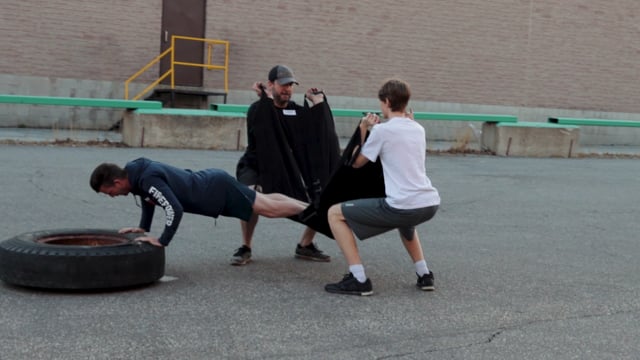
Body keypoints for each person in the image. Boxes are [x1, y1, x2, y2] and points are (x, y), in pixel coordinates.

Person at [324, 78, 441, 296]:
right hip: (429, 204)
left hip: (402, 206)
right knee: (407, 222)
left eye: (381, 103)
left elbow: (357, 163)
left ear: (386, 101)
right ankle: (424, 274)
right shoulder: (418, 129)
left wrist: (363, 128)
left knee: (334, 213)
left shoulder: (382, 131)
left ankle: (358, 278)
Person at [232, 64, 341, 265]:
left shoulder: (297, 112)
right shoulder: (258, 109)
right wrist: (265, 100)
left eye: (291, 85)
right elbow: (266, 131)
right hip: (256, 164)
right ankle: (246, 246)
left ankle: (305, 245)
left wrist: (319, 105)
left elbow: (320, 134)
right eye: (283, 85)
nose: (287, 89)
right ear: (270, 85)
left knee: (323, 196)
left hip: (287, 166)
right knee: (250, 195)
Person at [89, 158, 308, 247]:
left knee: (267, 210)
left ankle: (312, 210)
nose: (111, 195)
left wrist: (162, 240)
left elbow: (174, 208)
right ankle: (308, 206)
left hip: (216, 189)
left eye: (109, 191)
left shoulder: (146, 179)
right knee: (266, 201)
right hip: (212, 184)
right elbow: (149, 199)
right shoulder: (136, 175)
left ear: (117, 181)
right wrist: (144, 228)